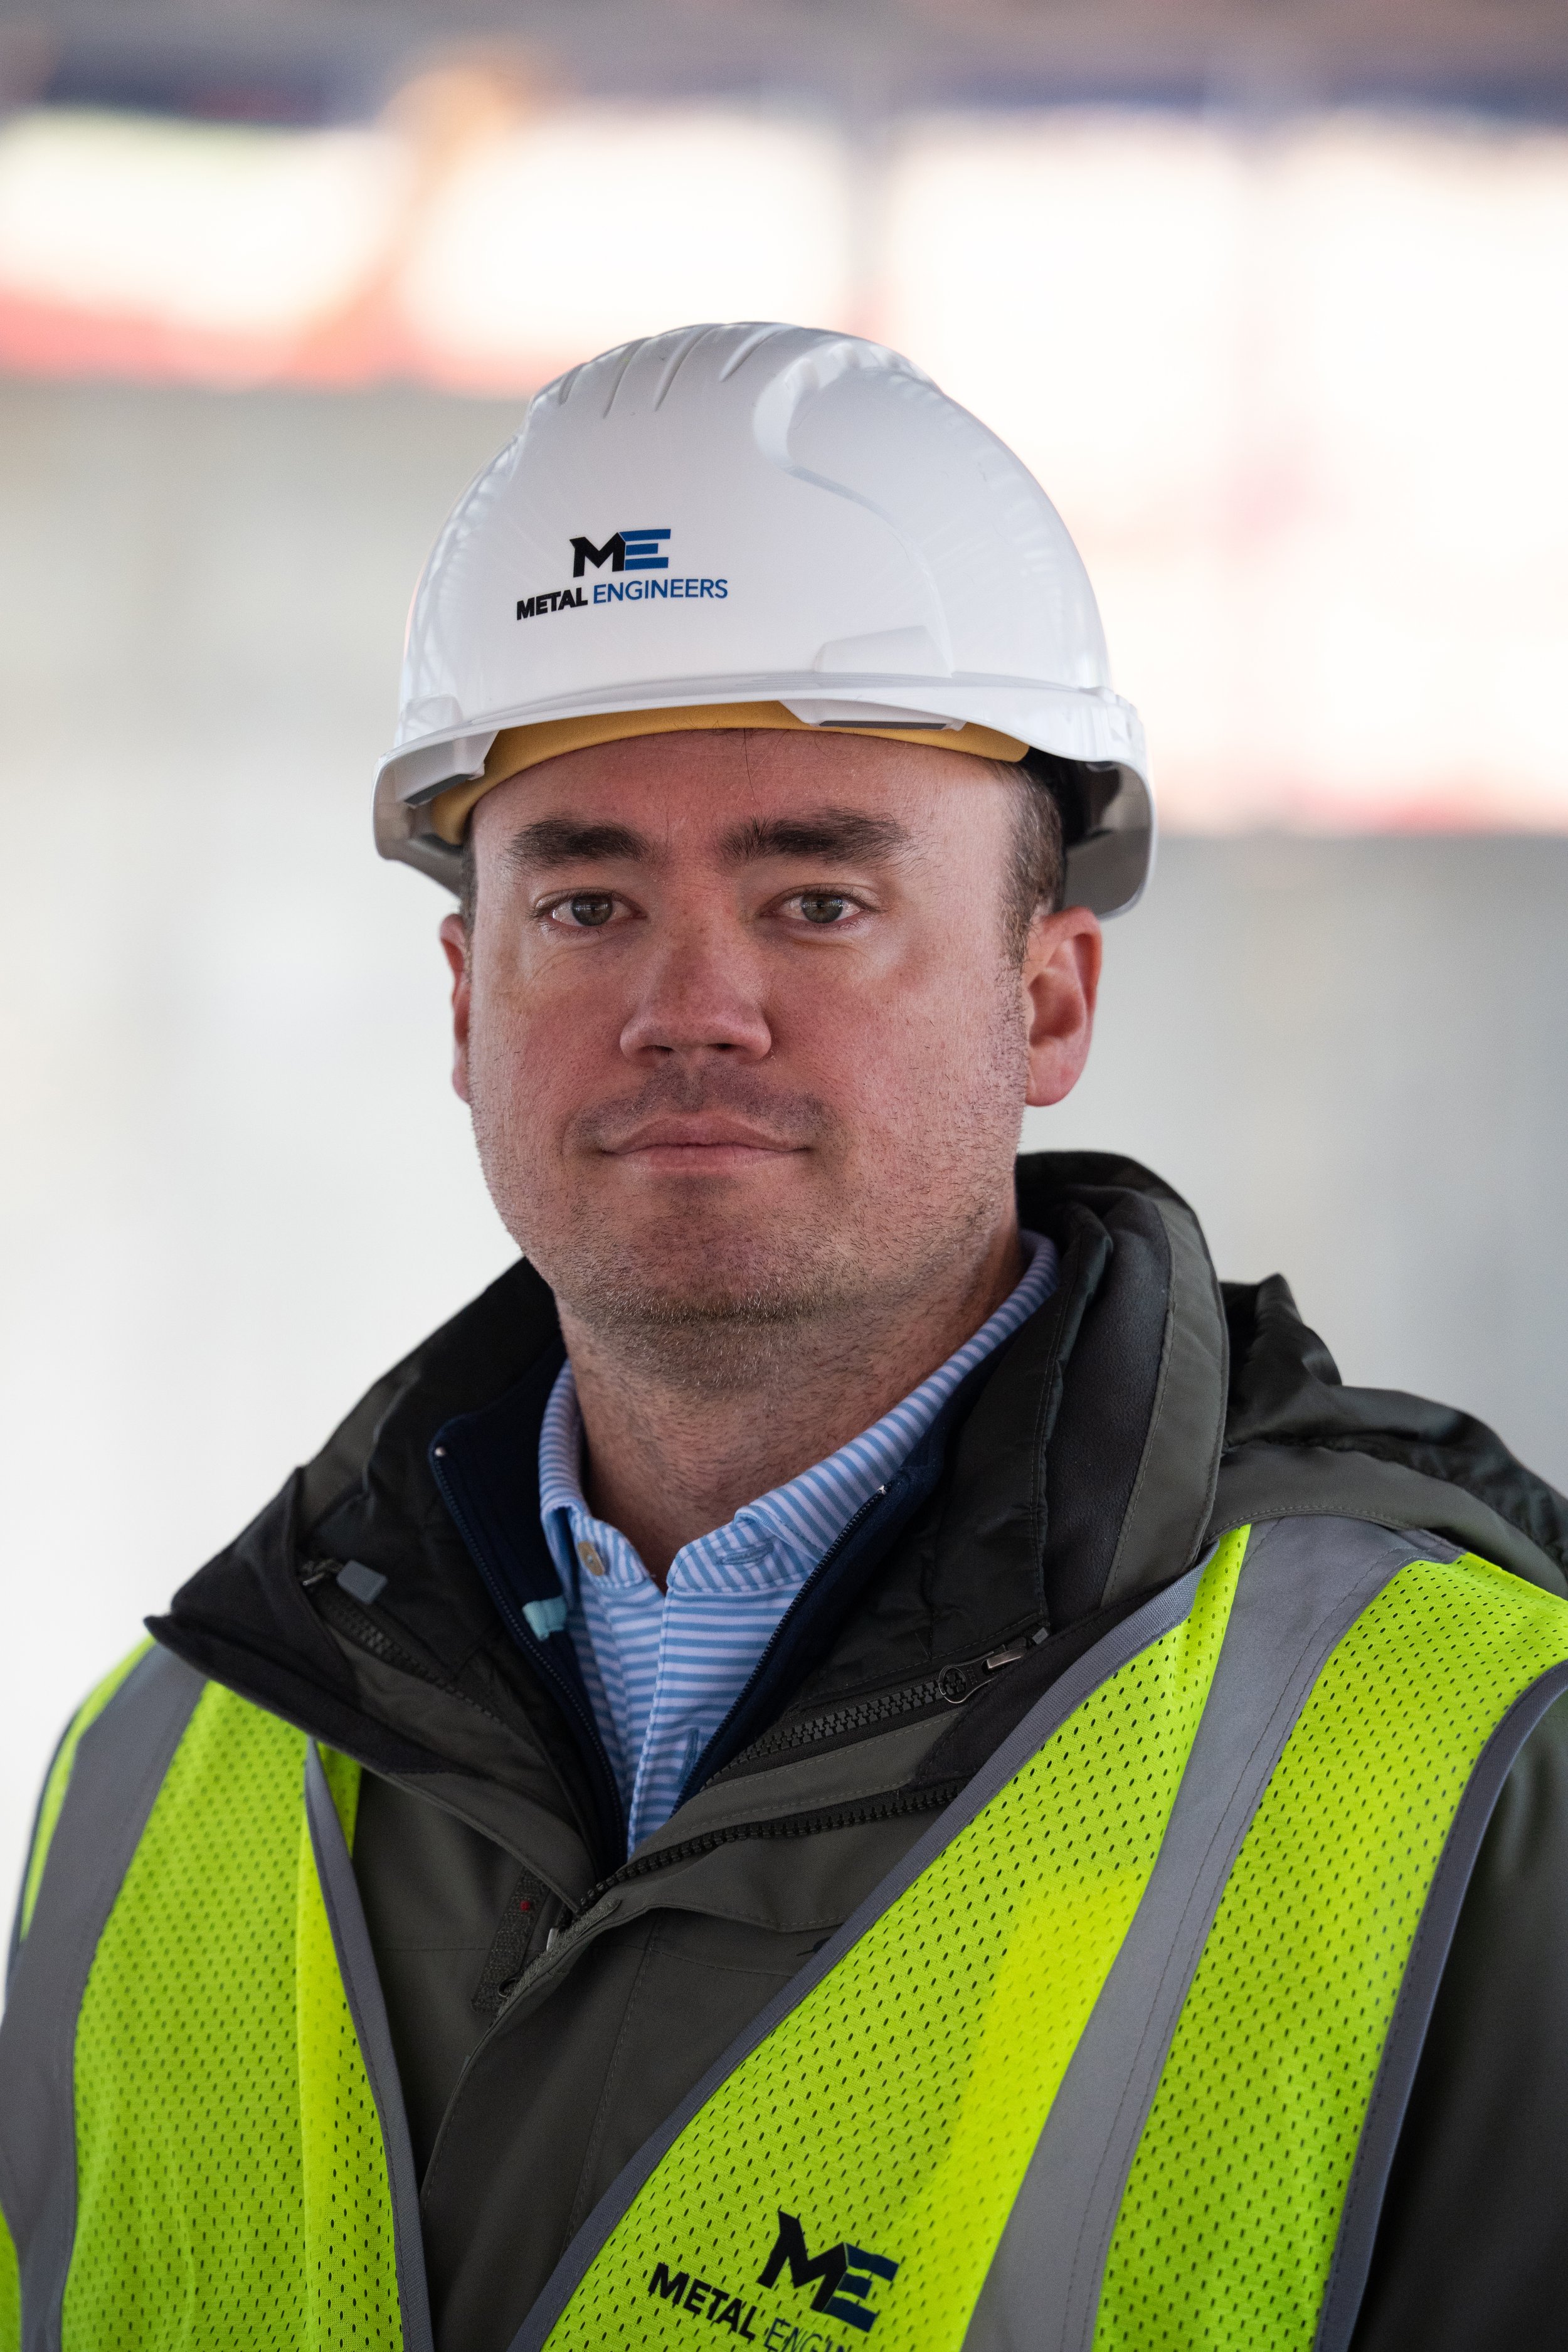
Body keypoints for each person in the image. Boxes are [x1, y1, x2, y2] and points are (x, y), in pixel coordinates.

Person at [3, 324, 1567, 2352]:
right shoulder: (159, 1773)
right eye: (585, 907)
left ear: (1050, 997)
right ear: (462, 996)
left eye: (816, 899)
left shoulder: (1470, 1766)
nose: (691, 1006)